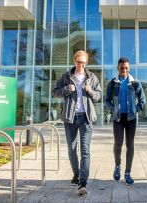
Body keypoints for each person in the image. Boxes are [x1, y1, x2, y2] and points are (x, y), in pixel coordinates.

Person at [52, 50, 101, 195]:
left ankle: (83, 181)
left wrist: (90, 91)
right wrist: (67, 89)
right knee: (72, 149)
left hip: (86, 118)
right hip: (70, 118)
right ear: (75, 61)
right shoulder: (67, 76)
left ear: (87, 62)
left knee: (85, 149)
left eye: (84, 62)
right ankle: (76, 174)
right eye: (79, 62)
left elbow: (98, 96)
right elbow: (55, 92)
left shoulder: (92, 77)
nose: (81, 64)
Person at [105, 58, 146, 186]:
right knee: (118, 143)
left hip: (131, 119)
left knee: (130, 144)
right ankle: (117, 166)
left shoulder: (135, 82)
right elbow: (107, 100)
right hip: (117, 118)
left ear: (129, 68)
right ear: (118, 68)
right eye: (122, 67)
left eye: (126, 68)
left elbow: (143, 99)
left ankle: (128, 172)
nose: (124, 70)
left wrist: (136, 109)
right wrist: (113, 108)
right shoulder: (112, 83)